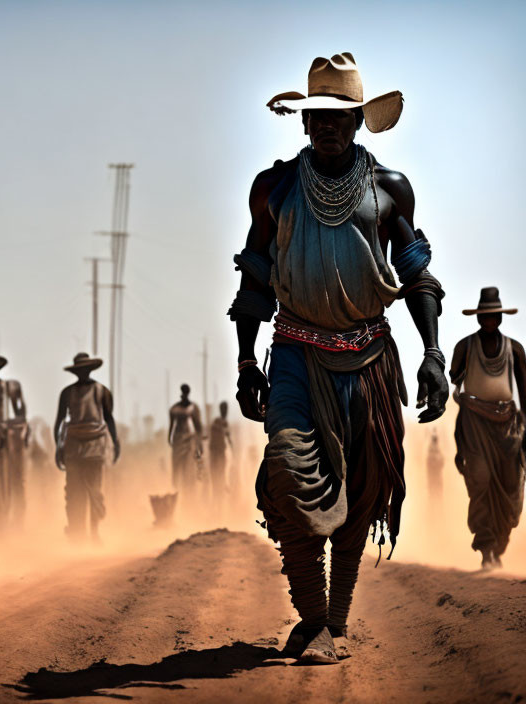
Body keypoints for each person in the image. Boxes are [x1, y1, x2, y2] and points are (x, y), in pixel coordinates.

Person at [229, 53, 447, 663]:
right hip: (296, 353)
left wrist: (432, 353)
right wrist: (247, 363)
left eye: (340, 115)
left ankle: (333, 621)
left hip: (371, 360)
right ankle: (313, 617)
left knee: (366, 488)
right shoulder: (273, 190)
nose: (327, 125)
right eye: (317, 114)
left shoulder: (388, 190)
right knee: (289, 472)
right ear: (303, 122)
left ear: (358, 122)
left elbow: (417, 276)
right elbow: (254, 280)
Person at [450, 287, 526, 570]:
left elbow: (525, 393)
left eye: (495, 316)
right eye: (486, 316)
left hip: (509, 428)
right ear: (479, 318)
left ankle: (500, 544)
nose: (490, 320)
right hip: (474, 426)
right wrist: (460, 446)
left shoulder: (515, 349)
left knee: (512, 489)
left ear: (500, 317)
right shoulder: (465, 347)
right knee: (480, 483)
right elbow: (456, 385)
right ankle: (486, 550)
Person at [54, 353, 120, 542]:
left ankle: (94, 532)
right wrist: (58, 447)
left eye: (85, 370)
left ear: (90, 370)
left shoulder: (102, 391)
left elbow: (109, 418)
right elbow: (59, 421)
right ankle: (77, 532)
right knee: (74, 492)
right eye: (80, 370)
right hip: (73, 446)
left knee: (94, 491)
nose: (83, 373)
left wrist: (115, 442)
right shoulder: (67, 393)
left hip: (95, 447)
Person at [0, 355, 30, 529]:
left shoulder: (11, 386)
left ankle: (15, 520)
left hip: (7, 438)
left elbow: (20, 413)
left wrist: (15, 426)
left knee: (15, 479)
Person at [168, 384, 204, 509]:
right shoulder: (174, 409)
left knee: (188, 472)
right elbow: (171, 426)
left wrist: (199, 445)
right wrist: (170, 439)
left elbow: (198, 427)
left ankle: (189, 503)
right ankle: (176, 500)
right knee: (176, 472)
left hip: (189, 442)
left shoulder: (193, 408)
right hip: (177, 442)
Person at [208, 401, 234, 517]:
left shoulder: (224, 423)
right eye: (223, 408)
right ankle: (216, 509)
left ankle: (220, 509)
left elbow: (228, 438)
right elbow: (214, 436)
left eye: (226, 408)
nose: (225, 411)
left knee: (222, 479)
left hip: (221, 454)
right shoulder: (217, 422)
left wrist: (232, 449)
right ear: (221, 409)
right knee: (216, 481)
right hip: (215, 455)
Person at [426, 429, 444, 501]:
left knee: (437, 491)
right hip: (433, 476)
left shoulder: (438, 450)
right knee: (433, 491)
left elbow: (442, 462)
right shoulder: (431, 450)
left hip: (436, 476)